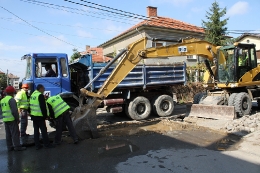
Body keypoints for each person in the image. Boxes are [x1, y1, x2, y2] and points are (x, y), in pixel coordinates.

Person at [0, 86, 26, 151]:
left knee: (8, 134)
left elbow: (1, 111)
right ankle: (17, 147)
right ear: (12, 92)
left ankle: (10, 147)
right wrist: (17, 119)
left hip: (5, 120)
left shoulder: (2, 100)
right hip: (12, 119)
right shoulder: (11, 100)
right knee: (15, 134)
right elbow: (14, 111)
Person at [29, 84, 55, 150]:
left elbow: (30, 106)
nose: (44, 90)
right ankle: (47, 144)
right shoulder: (40, 95)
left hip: (34, 116)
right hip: (39, 116)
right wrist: (45, 116)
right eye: (43, 88)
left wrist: (31, 114)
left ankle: (37, 145)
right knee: (44, 131)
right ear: (40, 88)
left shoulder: (32, 95)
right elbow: (43, 107)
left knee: (36, 131)